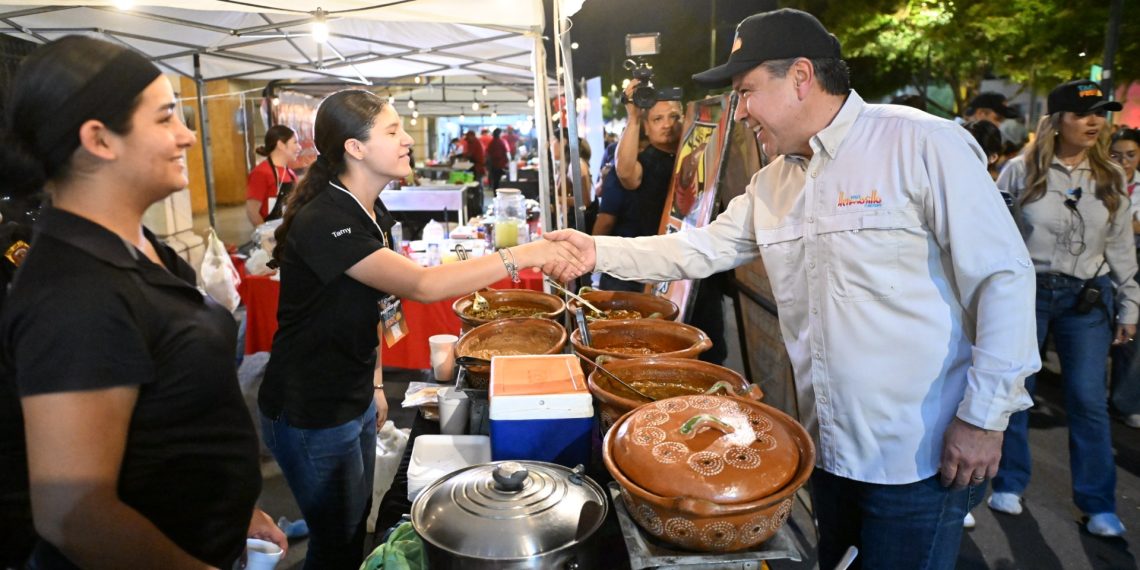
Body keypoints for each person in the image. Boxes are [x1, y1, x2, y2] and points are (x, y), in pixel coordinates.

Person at [547, 9, 1039, 569]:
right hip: (824, 452)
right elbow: (699, 248)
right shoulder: (773, 182)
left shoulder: (921, 144)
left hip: (917, 459)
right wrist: (594, 250)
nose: (742, 112)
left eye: (748, 91)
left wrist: (983, 418)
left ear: (801, 76)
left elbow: (1004, 279)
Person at [258, 89, 584, 570]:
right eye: (392, 131)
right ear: (355, 148)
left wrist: (373, 383)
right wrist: (524, 254)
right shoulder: (327, 218)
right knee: (336, 541)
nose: (408, 139)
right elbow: (422, 285)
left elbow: (374, 307)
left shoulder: (370, 209)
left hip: (352, 394)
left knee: (356, 522)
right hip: (310, 407)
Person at [0, 36, 285, 569]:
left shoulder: (141, 246)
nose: (187, 135)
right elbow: (73, 512)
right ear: (99, 139)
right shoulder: (75, 293)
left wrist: (237, 507)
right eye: (165, 119)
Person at [989, 80, 1138, 538]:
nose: (1095, 122)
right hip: (1027, 294)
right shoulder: (1019, 171)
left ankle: (1098, 504)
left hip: (1087, 300)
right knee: (1017, 395)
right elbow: (994, 238)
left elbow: (1120, 249)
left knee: (1088, 401)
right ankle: (1009, 482)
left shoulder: (1110, 177)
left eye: (1102, 114)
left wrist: (1130, 305)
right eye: (1082, 113)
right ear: (1057, 120)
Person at [592, 88, 682, 292]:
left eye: (674, 116)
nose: (667, 124)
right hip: (632, 272)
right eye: (658, 119)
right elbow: (626, 174)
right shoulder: (639, 163)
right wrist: (633, 116)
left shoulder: (691, 161)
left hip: (681, 270)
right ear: (646, 127)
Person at [1108, 127, 1140, 428]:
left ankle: (1123, 400)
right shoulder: (1099, 181)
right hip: (1099, 267)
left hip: (1132, 268)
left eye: (1131, 155)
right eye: (1116, 155)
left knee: (1131, 336)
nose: (1124, 161)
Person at [246, 124, 301, 227]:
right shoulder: (261, 173)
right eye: (295, 142)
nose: (299, 147)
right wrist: (266, 236)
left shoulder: (291, 174)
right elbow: (252, 212)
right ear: (280, 145)